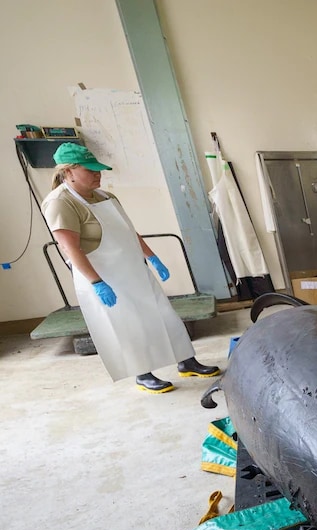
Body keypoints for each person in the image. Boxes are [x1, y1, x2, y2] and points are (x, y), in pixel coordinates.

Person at [41, 142, 220, 394]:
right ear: (68, 172)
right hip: (104, 276)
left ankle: (186, 361)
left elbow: (127, 230)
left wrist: (152, 257)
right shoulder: (60, 202)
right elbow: (71, 249)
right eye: (90, 170)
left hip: (133, 269)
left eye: (98, 169)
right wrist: (97, 283)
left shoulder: (107, 196)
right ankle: (143, 374)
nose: (97, 174)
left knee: (163, 315)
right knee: (127, 324)